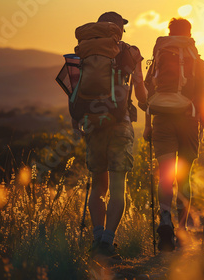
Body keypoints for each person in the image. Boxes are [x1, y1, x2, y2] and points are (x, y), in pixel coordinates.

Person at [142, 18, 204, 252]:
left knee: (166, 174)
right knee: (184, 176)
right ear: (189, 34)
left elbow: (149, 92)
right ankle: (181, 229)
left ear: (169, 33)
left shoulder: (158, 59)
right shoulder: (200, 63)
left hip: (161, 120)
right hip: (188, 121)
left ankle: (164, 219)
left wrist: (148, 126)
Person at [78, 12, 148, 261]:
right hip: (120, 123)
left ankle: (97, 240)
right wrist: (146, 104)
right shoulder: (130, 52)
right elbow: (139, 87)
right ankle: (107, 243)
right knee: (118, 188)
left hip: (93, 124)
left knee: (98, 187)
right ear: (118, 29)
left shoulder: (85, 52)